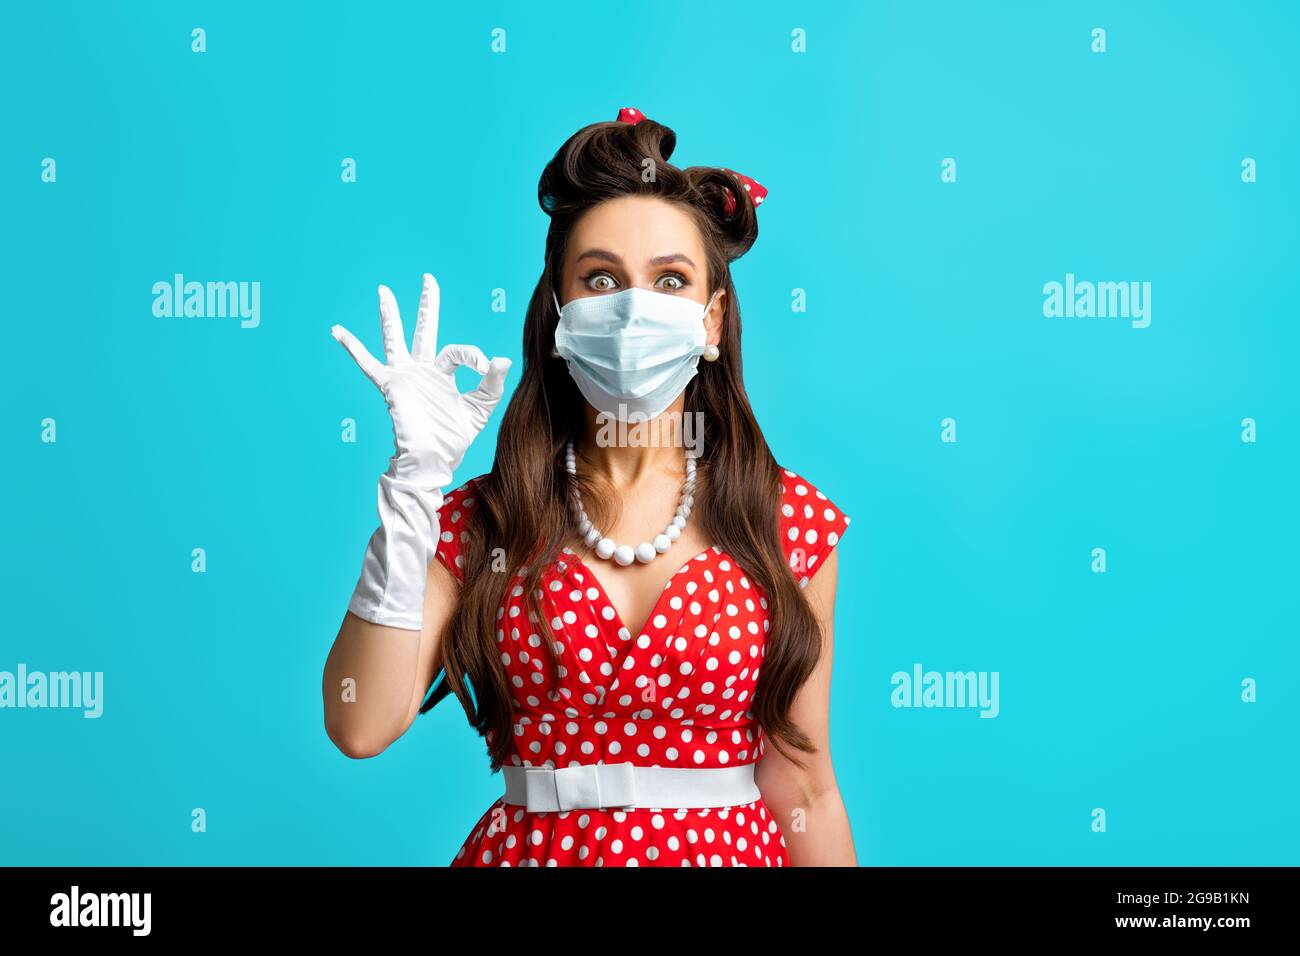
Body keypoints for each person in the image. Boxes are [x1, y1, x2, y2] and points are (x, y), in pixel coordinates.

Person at [322, 106, 855, 866]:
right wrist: (414, 484)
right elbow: (360, 724)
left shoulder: (787, 525)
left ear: (711, 321)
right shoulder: (481, 521)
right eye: (600, 278)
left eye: (670, 280)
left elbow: (805, 789)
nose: (635, 309)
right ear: (560, 311)